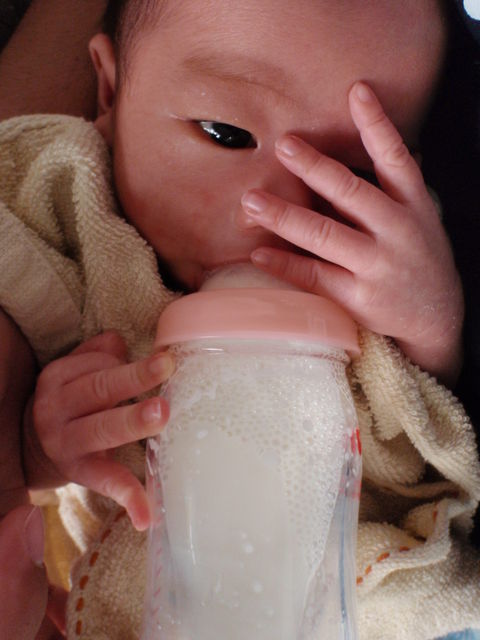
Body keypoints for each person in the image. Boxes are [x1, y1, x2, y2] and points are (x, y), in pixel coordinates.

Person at [0, 0, 479, 638]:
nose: (278, 213)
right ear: (109, 92)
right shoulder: (73, 221)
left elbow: (427, 438)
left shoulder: (381, 271)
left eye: (354, 173)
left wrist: (431, 324)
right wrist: (42, 445)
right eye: (225, 133)